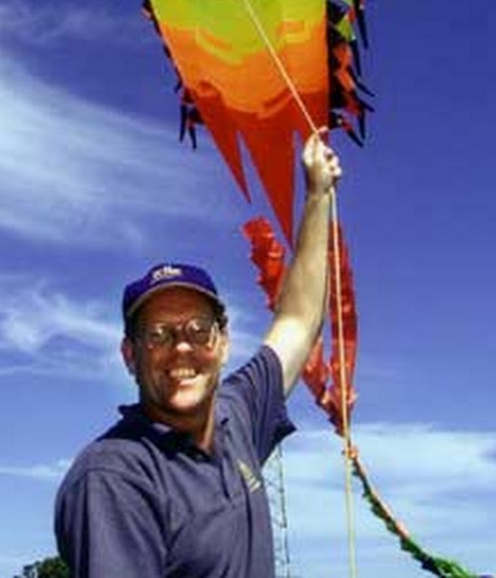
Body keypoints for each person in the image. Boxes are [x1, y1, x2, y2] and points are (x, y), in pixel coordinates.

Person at [54, 130, 342, 578]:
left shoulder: (239, 414)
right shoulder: (115, 477)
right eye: (159, 334)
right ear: (130, 355)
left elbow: (299, 321)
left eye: (198, 330)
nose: (182, 347)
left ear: (222, 343)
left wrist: (318, 194)